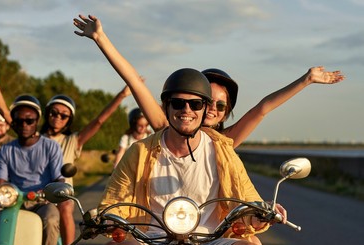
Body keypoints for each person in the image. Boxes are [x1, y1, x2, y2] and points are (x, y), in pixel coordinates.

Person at [73, 14, 345, 149]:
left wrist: (306, 79)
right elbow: (135, 81)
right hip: (164, 223)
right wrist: (101, 39)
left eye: (221, 105)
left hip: (210, 229)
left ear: (228, 112)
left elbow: (262, 108)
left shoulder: (224, 142)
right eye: (205, 101)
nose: (213, 108)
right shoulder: (167, 127)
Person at [97, 68, 287, 245]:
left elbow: (246, 197)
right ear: (166, 106)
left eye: (195, 104)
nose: (186, 110)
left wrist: (261, 212)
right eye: (178, 103)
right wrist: (108, 218)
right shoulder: (140, 151)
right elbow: (115, 199)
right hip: (152, 240)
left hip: (211, 239)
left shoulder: (223, 151)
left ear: (205, 108)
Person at [0, 52, 132, 245]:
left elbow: (98, 122)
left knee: (60, 212)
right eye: (54, 112)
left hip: (51, 196)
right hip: (16, 197)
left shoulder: (65, 143)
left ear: (68, 120)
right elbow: (7, 114)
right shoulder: (14, 142)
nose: (57, 117)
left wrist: (122, 95)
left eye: (63, 115)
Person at [0, 95, 65, 245]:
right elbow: (0, 182)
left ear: (37, 120)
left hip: (40, 201)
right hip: (11, 201)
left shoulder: (51, 146)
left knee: (51, 219)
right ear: (13, 123)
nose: (24, 125)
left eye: (29, 121)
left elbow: (58, 178)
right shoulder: (5, 149)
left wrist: (58, 189)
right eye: (19, 121)